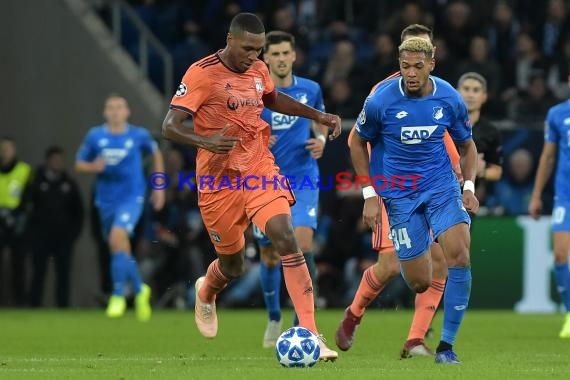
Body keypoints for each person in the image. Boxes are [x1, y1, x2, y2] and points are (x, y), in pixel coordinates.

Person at [161, 13, 341, 361]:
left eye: (259, 51)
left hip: (258, 168)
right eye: (248, 49)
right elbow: (170, 125)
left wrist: (317, 116)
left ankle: (311, 332)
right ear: (229, 40)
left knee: (286, 236)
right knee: (233, 266)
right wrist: (205, 141)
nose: (254, 57)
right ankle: (207, 291)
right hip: (218, 182)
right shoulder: (201, 74)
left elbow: (272, 99)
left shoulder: (258, 70)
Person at [349, 37, 479, 364]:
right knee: (419, 282)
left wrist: (469, 187)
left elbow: (468, 146)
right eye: (405, 66)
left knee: (459, 254)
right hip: (399, 194)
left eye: (418, 67)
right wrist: (368, 194)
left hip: (440, 186)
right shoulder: (381, 101)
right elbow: (356, 143)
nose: (410, 73)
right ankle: (357, 313)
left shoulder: (449, 97)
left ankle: (446, 347)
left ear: (431, 65)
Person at [250, 30, 330, 348]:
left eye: (286, 53)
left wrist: (321, 140)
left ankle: (303, 325)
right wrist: (256, 139)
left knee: (304, 241)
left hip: (304, 177)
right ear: (265, 58)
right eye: (275, 54)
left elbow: (320, 119)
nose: (281, 59)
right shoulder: (253, 94)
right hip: (265, 181)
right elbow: (238, 129)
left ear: (294, 55)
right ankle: (273, 317)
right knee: (270, 256)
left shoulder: (310, 89)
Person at [76, 94, 164, 321]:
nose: (115, 111)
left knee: (117, 236)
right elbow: (79, 163)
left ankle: (117, 295)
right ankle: (139, 288)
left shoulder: (138, 135)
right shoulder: (96, 135)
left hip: (132, 197)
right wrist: (93, 166)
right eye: (111, 107)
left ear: (127, 112)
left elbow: (155, 153)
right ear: (105, 112)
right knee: (119, 247)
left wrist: (159, 187)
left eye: (119, 107)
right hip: (105, 200)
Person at [528, 76, 570, 338]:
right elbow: (548, 155)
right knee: (560, 255)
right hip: (565, 196)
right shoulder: (557, 114)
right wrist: (536, 195)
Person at [29, 146, 84, 308]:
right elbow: (29, 209)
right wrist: (33, 233)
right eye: (54, 159)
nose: (57, 163)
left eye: (59, 160)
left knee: (63, 274)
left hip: (63, 239)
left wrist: (73, 234)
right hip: (41, 238)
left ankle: (63, 307)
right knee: (38, 273)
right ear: (48, 161)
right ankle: (34, 306)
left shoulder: (69, 183)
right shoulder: (36, 182)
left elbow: (79, 212)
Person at [456, 72, 503, 208]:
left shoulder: (491, 131)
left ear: (484, 97)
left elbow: (497, 171)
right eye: (466, 89)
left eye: (476, 90)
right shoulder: (444, 126)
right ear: (457, 93)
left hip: (469, 198)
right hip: (440, 192)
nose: (470, 95)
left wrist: (480, 171)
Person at [0, 137, 31, 306]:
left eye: (8, 148)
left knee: (18, 264)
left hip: (16, 223)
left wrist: (17, 216)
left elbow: (29, 196)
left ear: (14, 150)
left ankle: (20, 302)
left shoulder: (23, 170)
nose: (5, 152)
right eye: (2, 148)